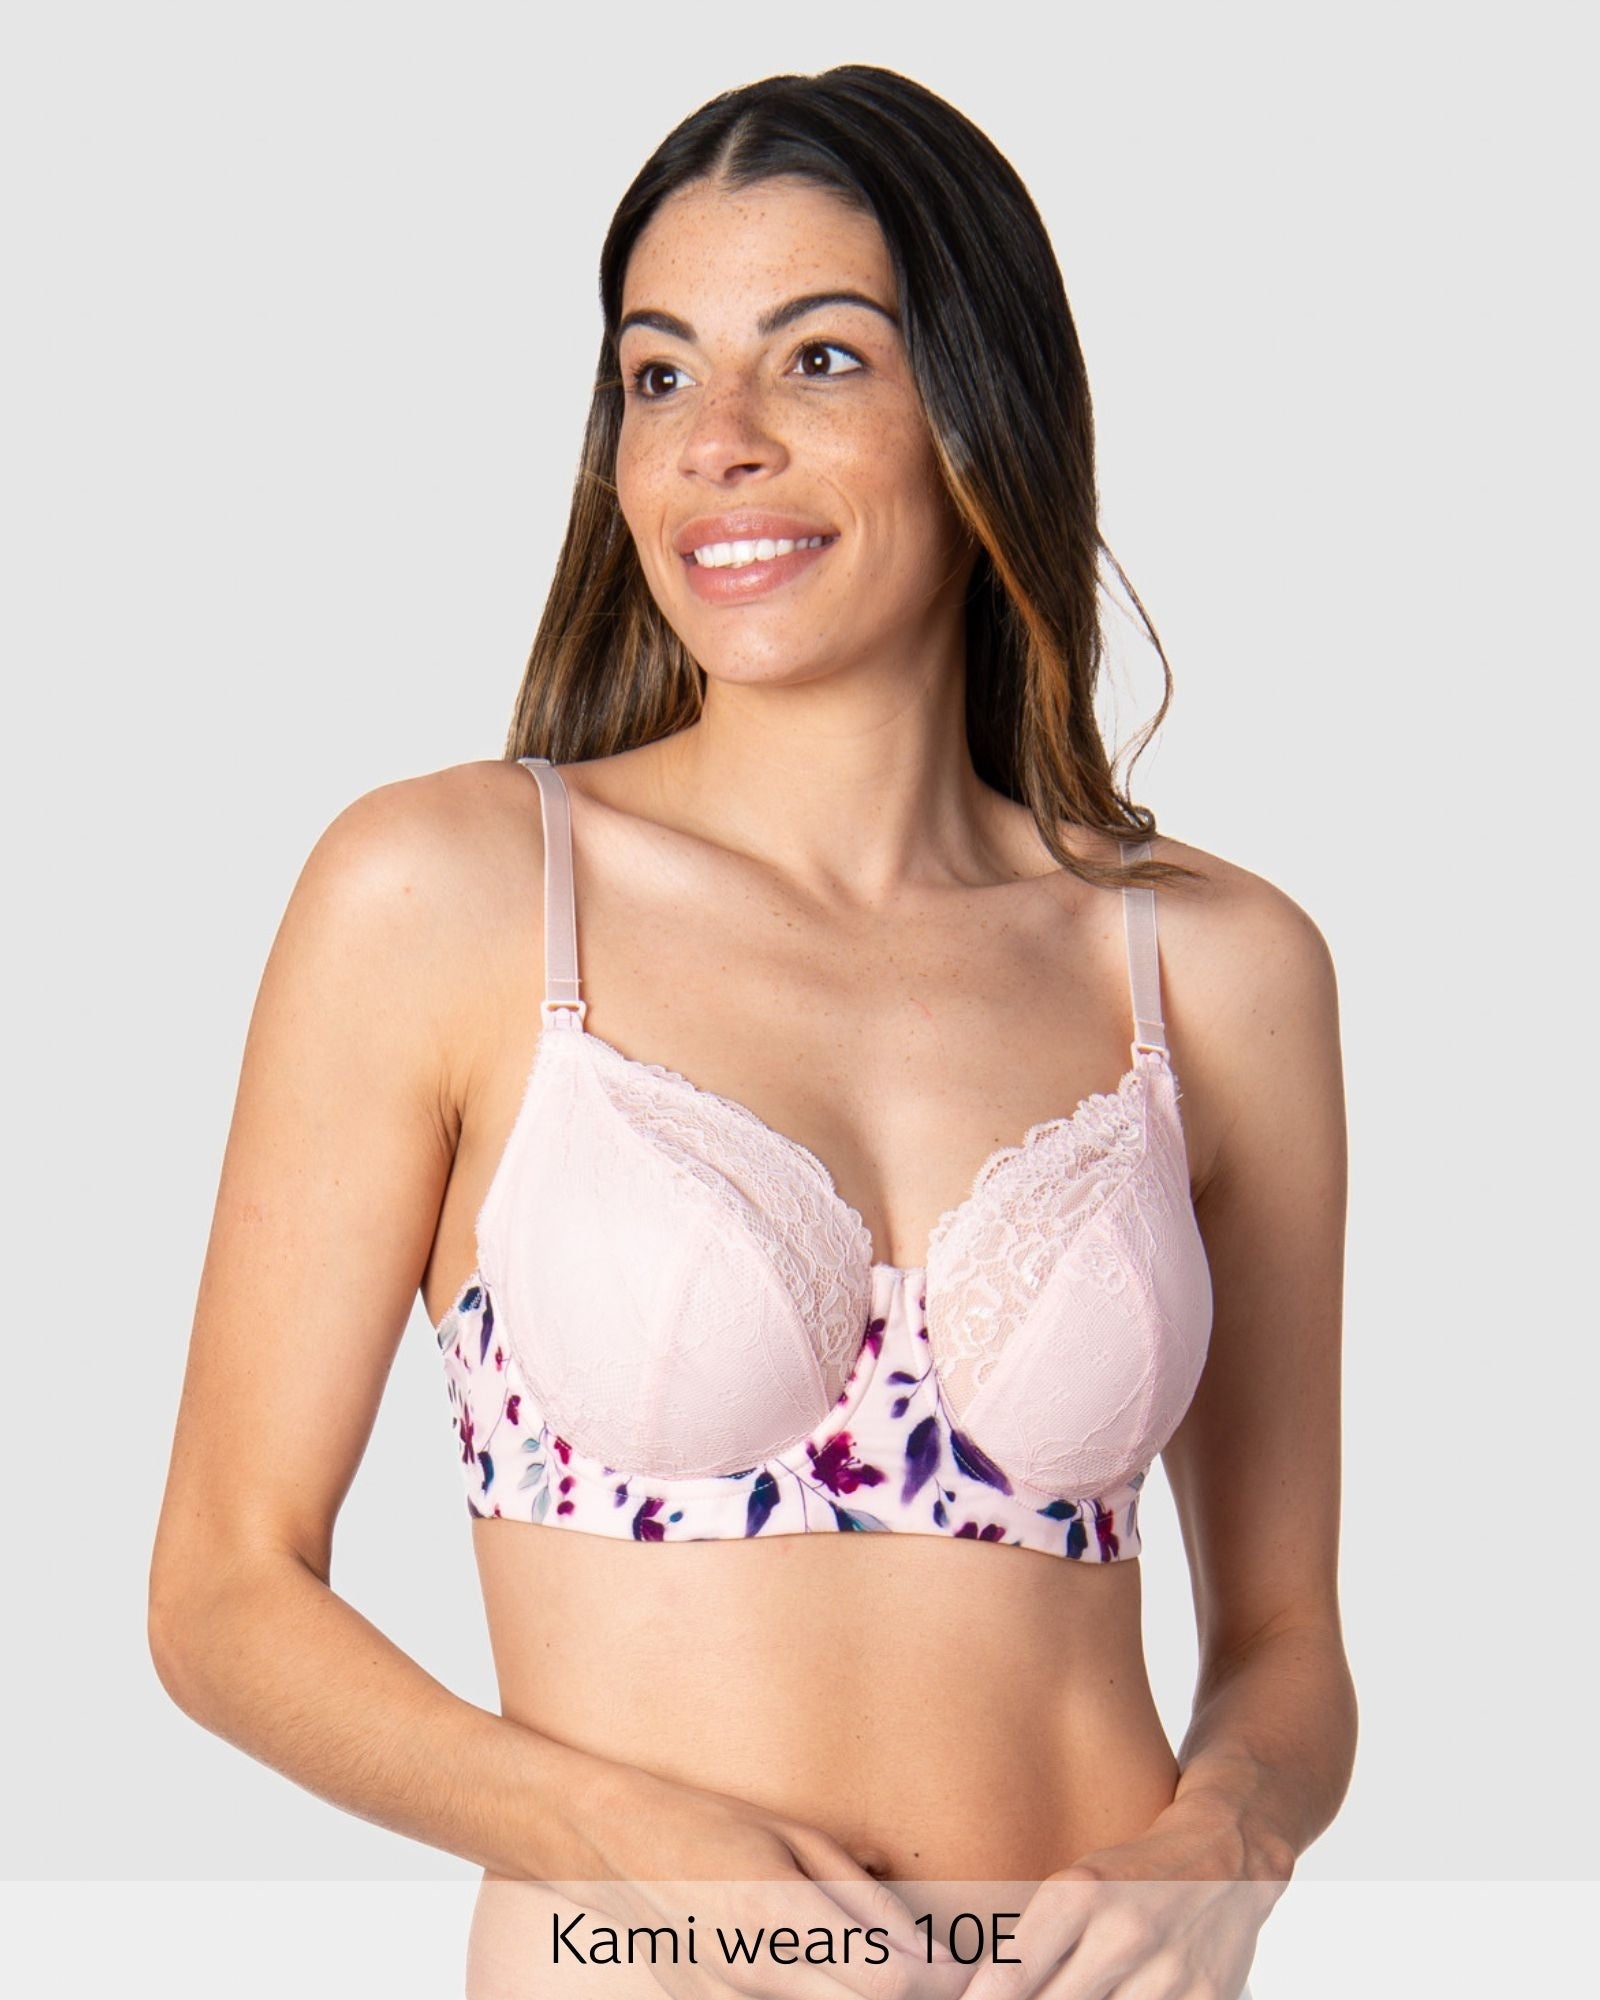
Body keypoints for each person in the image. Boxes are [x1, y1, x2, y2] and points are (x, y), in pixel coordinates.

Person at [148, 64, 1355, 2000]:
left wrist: (1225, 1839)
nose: (716, 441)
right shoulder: (454, 892)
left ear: (980, 408)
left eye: (819, 359)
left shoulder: (1210, 969)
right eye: (657, 375)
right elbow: (222, 1591)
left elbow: (1285, 1638)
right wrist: (609, 1841)